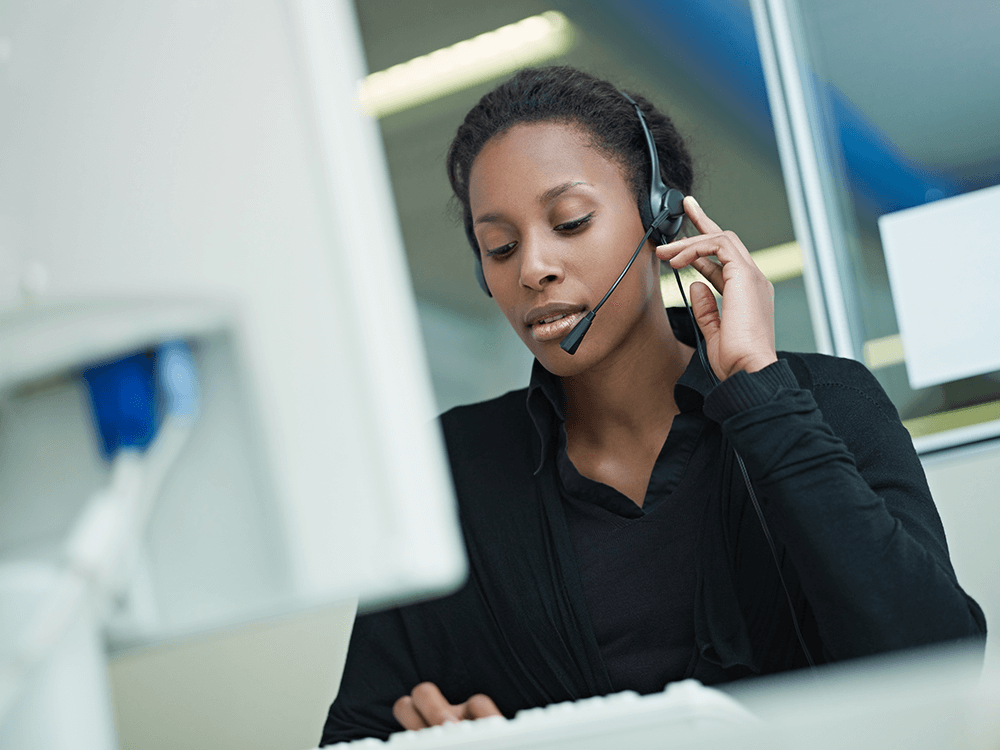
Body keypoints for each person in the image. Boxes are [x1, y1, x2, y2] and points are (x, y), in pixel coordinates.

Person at [319, 66, 986, 745]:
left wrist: (761, 394)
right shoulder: (451, 470)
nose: (532, 268)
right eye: (500, 246)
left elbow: (938, 662)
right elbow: (353, 734)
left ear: (659, 217)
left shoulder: (828, 401)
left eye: (570, 221)